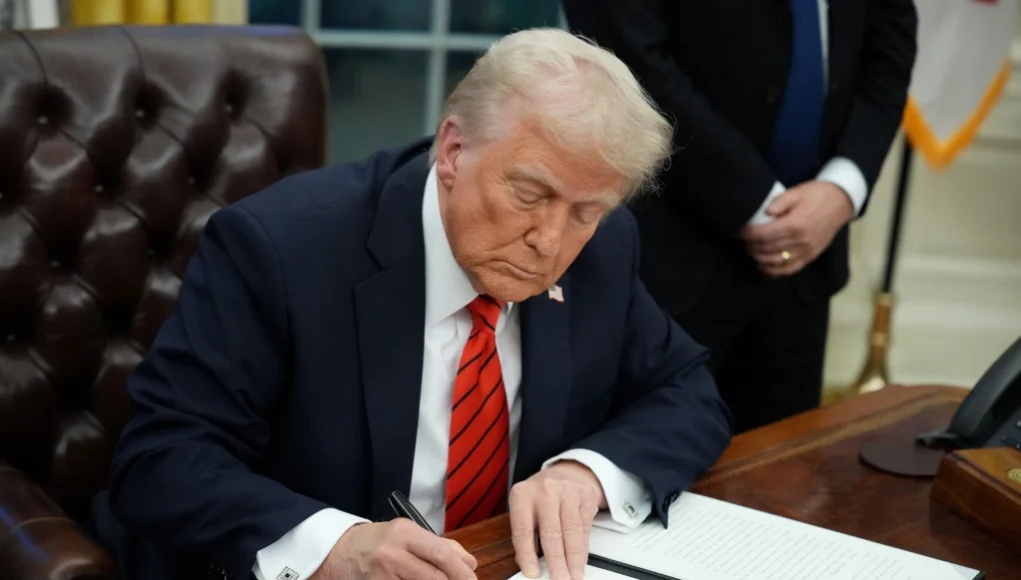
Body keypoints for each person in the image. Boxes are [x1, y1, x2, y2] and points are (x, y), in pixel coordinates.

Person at [88, 28, 732, 580]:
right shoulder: (280, 251)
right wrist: (340, 546)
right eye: (530, 194)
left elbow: (687, 391)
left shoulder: (604, 247)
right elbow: (160, 460)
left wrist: (586, 474)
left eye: (587, 211)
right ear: (453, 151)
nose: (551, 241)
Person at [562, 0, 918, 433]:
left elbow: (890, 49)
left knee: (781, 482)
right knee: (644, 466)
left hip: (807, 257)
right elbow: (628, 61)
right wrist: (758, 202)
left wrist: (843, 187)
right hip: (665, 253)